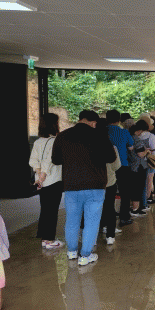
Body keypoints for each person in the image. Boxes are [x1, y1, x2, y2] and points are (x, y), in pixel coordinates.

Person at [51, 110, 116, 267]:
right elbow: (111, 157)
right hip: (95, 185)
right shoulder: (99, 135)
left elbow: (56, 160)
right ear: (93, 122)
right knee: (91, 221)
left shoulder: (62, 136)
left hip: (71, 185)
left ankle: (72, 251)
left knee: (72, 220)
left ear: (80, 119)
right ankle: (85, 255)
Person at [29, 113, 64, 249]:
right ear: (54, 124)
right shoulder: (56, 140)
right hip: (53, 180)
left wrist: (39, 175)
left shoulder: (38, 141)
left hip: (41, 182)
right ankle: (49, 240)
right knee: (52, 210)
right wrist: (43, 174)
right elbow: (49, 160)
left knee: (45, 209)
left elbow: (33, 161)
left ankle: (45, 238)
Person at [106, 109, 134, 228]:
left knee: (108, 192)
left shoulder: (103, 131)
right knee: (125, 192)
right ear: (119, 120)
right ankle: (124, 217)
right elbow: (131, 147)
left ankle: (108, 217)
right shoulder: (124, 132)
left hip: (107, 166)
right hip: (123, 165)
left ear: (107, 119)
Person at [97, 118, 122, 245]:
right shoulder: (112, 148)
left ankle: (95, 233)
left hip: (94, 184)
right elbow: (117, 166)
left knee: (94, 208)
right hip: (109, 182)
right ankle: (110, 236)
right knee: (109, 208)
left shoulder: (89, 148)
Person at [128, 120, 151, 217]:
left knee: (136, 187)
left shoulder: (129, 137)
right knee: (138, 188)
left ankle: (136, 208)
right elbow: (141, 154)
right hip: (139, 167)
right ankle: (135, 209)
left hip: (132, 166)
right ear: (139, 130)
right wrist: (147, 151)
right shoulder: (136, 139)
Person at [138, 114, 155, 208]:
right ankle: (146, 200)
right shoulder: (151, 136)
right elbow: (154, 150)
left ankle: (139, 202)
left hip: (139, 161)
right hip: (149, 161)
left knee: (140, 183)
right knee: (149, 181)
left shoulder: (136, 136)